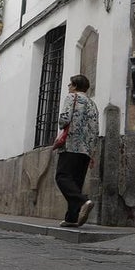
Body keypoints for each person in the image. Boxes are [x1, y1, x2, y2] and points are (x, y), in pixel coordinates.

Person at [55, 74, 99, 227]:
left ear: (74, 86)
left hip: (71, 145)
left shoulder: (71, 97)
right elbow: (95, 129)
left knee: (62, 177)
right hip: (85, 149)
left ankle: (83, 201)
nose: (68, 87)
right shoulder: (92, 104)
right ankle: (72, 218)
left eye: (70, 84)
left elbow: (64, 120)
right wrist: (92, 151)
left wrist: (62, 124)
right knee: (76, 182)